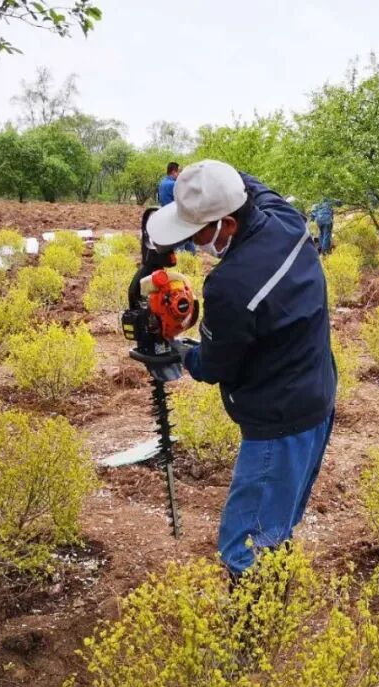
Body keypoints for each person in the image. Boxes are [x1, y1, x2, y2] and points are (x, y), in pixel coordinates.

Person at [146, 159, 336, 580]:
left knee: (246, 544)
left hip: (279, 418)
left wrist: (179, 351)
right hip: (316, 393)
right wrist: (199, 180)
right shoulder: (285, 218)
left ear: (227, 225)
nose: (193, 242)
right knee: (275, 523)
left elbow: (215, 365)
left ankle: (251, 618)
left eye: (197, 232)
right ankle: (275, 593)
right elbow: (246, 182)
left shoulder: (230, 285)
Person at [158, 162, 196, 254]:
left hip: (168, 217)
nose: (180, 174)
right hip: (177, 219)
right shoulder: (174, 184)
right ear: (173, 172)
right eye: (179, 172)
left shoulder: (162, 183)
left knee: (187, 243)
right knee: (181, 247)